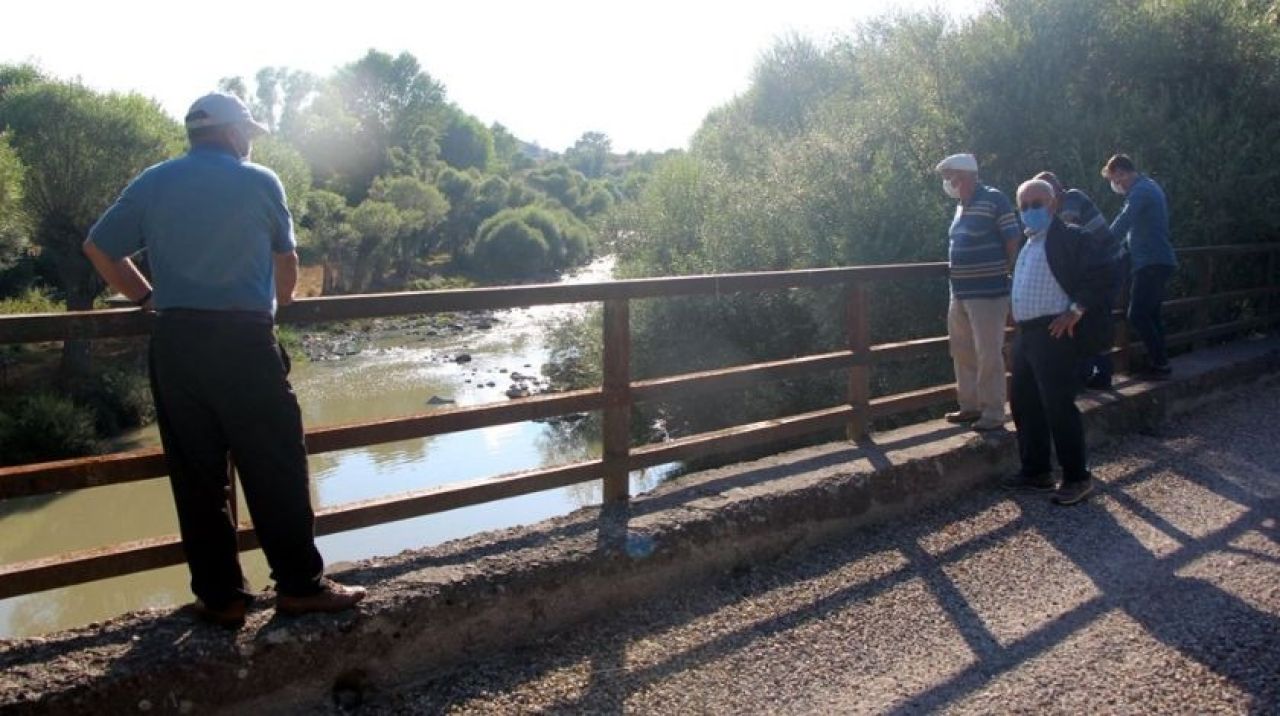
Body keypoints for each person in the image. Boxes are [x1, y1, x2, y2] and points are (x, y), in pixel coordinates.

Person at [83, 92, 365, 627]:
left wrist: (148, 299)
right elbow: (288, 260)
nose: (250, 142)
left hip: (176, 343)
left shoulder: (153, 181)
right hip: (243, 342)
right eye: (249, 134)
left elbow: (99, 248)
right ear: (235, 134)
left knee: (197, 476)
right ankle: (300, 587)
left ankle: (222, 598)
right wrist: (281, 304)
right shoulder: (260, 180)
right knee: (275, 464)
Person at [1002, 178, 1113, 505]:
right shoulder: (1028, 243)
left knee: (1058, 406)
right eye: (1024, 206)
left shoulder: (1073, 238)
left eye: (1036, 204)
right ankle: (1036, 470)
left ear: (1053, 205)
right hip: (1029, 334)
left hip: (1055, 333)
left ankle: (1077, 477)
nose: (1030, 211)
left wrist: (1076, 310)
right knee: (1024, 403)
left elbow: (1102, 275)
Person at [936, 153, 1021, 431]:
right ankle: (970, 406)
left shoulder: (994, 199)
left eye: (952, 176)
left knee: (988, 353)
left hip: (988, 292)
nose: (948, 182)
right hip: (959, 291)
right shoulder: (961, 206)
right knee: (961, 351)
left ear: (967, 175)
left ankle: (993, 413)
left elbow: (1012, 238)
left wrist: (1006, 273)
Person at [1035, 171, 1121, 389]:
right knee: (1087, 319)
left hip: (1107, 265)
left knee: (1095, 318)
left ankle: (1096, 376)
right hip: (1094, 265)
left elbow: (1064, 232)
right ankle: (1088, 375)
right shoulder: (1065, 201)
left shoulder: (1072, 198)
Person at [1102, 154, 1177, 379]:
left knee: (1137, 315)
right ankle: (1160, 364)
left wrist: (1102, 244)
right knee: (1151, 315)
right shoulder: (1148, 187)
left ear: (1123, 173)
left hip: (1151, 262)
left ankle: (1160, 363)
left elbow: (1124, 220)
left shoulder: (1141, 191)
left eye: (1116, 180)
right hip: (1157, 260)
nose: (1117, 185)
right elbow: (1136, 229)